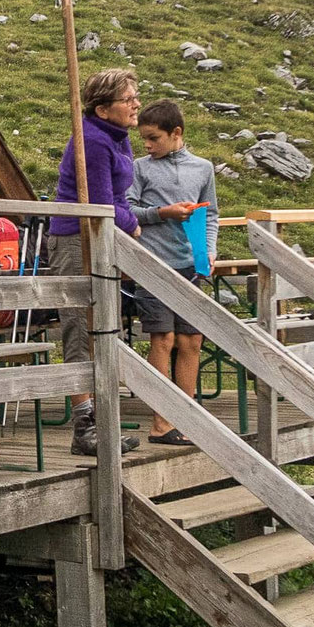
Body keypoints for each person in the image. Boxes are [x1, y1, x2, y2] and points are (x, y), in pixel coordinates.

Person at [43, 69, 144, 456]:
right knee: (82, 328)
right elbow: (101, 202)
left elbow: (118, 199)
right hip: (75, 236)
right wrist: (132, 226)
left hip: (100, 236)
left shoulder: (118, 139)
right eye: (127, 99)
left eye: (136, 96)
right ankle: (84, 425)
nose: (136, 104)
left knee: (105, 326)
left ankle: (104, 421)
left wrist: (130, 222)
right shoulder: (93, 142)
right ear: (103, 109)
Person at [128, 99, 220, 446]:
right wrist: (161, 213)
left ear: (176, 133)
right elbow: (127, 210)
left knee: (191, 340)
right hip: (151, 264)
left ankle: (187, 417)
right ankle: (161, 421)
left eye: (153, 138)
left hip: (189, 263)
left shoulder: (203, 168)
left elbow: (210, 214)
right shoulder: (140, 168)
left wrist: (209, 249)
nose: (148, 146)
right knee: (162, 339)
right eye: (144, 140)